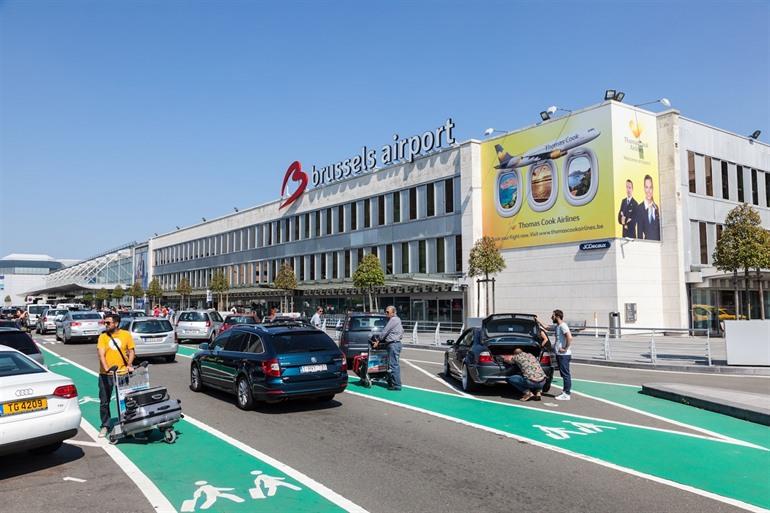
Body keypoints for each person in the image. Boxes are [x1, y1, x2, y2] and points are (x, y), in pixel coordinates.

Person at [96, 313, 135, 437]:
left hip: (122, 373)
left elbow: (131, 351)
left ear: (116, 323)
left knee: (126, 400)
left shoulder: (126, 335)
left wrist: (129, 364)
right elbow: (101, 353)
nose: (105, 325)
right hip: (105, 374)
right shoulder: (103, 337)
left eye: (108, 323)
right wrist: (106, 368)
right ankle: (105, 425)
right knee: (104, 401)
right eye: (104, 323)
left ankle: (128, 423)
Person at [373, 305, 403, 390]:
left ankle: (396, 385)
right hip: (396, 343)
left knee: (393, 365)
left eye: (388, 312)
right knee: (393, 364)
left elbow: (385, 331)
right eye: (385, 311)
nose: (386, 313)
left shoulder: (393, 319)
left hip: (393, 344)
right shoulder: (398, 320)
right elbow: (402, 331)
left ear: (393, 312)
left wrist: (378, 340)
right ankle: (395, 382)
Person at [551, 309, 573, 401]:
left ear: (557, 316)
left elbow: (569, 337)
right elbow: (547, 327)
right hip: (560, 354)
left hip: (564, 354)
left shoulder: (563, 326)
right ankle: (565, 392)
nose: (551, 317)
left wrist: (565, 348)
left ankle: (567, 393)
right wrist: (537, 321)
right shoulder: (558, 326)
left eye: (553, 315)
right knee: (563, 373)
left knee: (565, 374)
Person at [637, 174, 660, 241]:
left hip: (658, 246)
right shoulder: (640, 208)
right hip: (647, 246)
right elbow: (639, 233)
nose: (649, 190)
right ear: (644, 188)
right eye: (647, 187)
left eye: (650, 187)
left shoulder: (656, 208)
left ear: (653, 189)